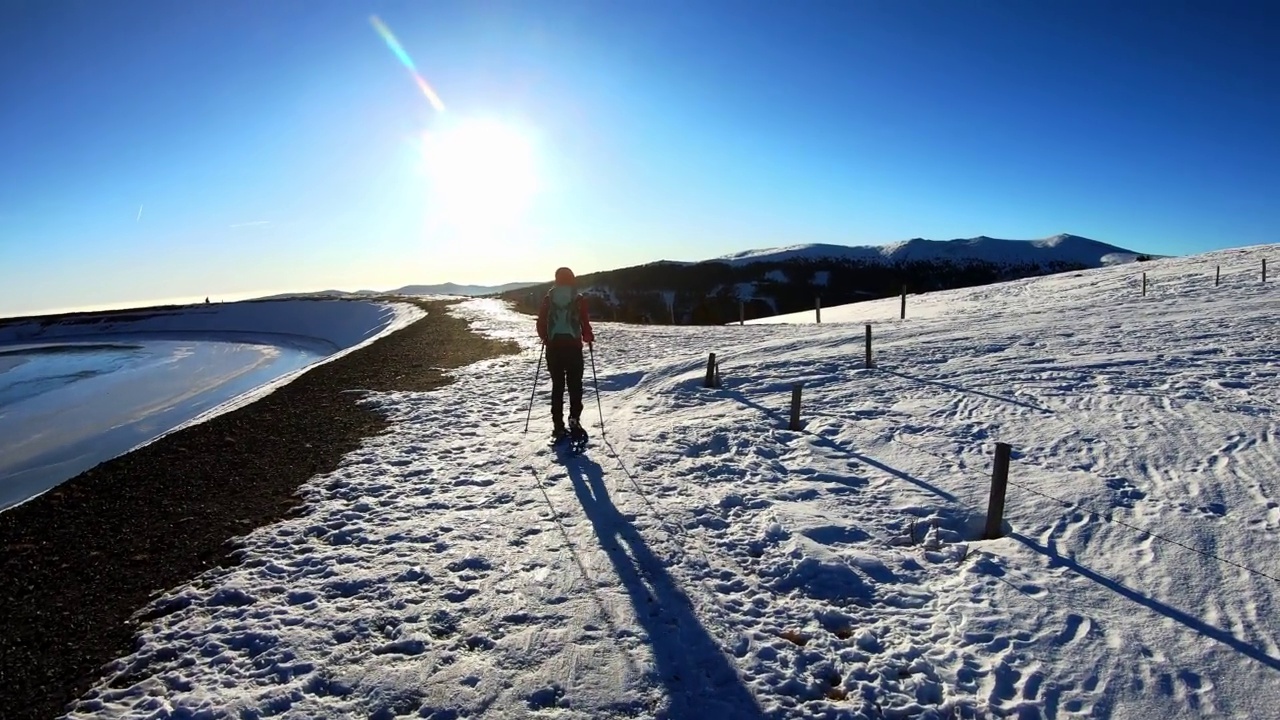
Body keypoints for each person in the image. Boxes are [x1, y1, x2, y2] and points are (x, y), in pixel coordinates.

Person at [536, 267, 594, 444]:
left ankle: (557, 425)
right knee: (575, 386)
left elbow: (540, 323)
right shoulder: (578, 298)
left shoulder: (549, 298)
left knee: (558, 387)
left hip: (554, 349)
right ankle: (574, 420)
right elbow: (584, 322)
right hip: (573, 348)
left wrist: (546, 338)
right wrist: (588, 337)